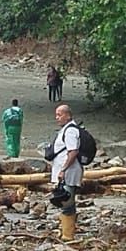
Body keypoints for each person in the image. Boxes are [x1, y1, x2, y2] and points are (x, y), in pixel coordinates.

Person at [49, 104, 84, 242]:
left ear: (68, 115)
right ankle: (65, 231)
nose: (57, 118)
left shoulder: (70, 131)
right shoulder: (67, 130)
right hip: (68, 172)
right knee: (66, 202)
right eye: (56, 115)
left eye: (60, 115)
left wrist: (63, 170)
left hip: (69, 173)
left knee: (66, 203)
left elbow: (73, 151)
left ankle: (68, 235)